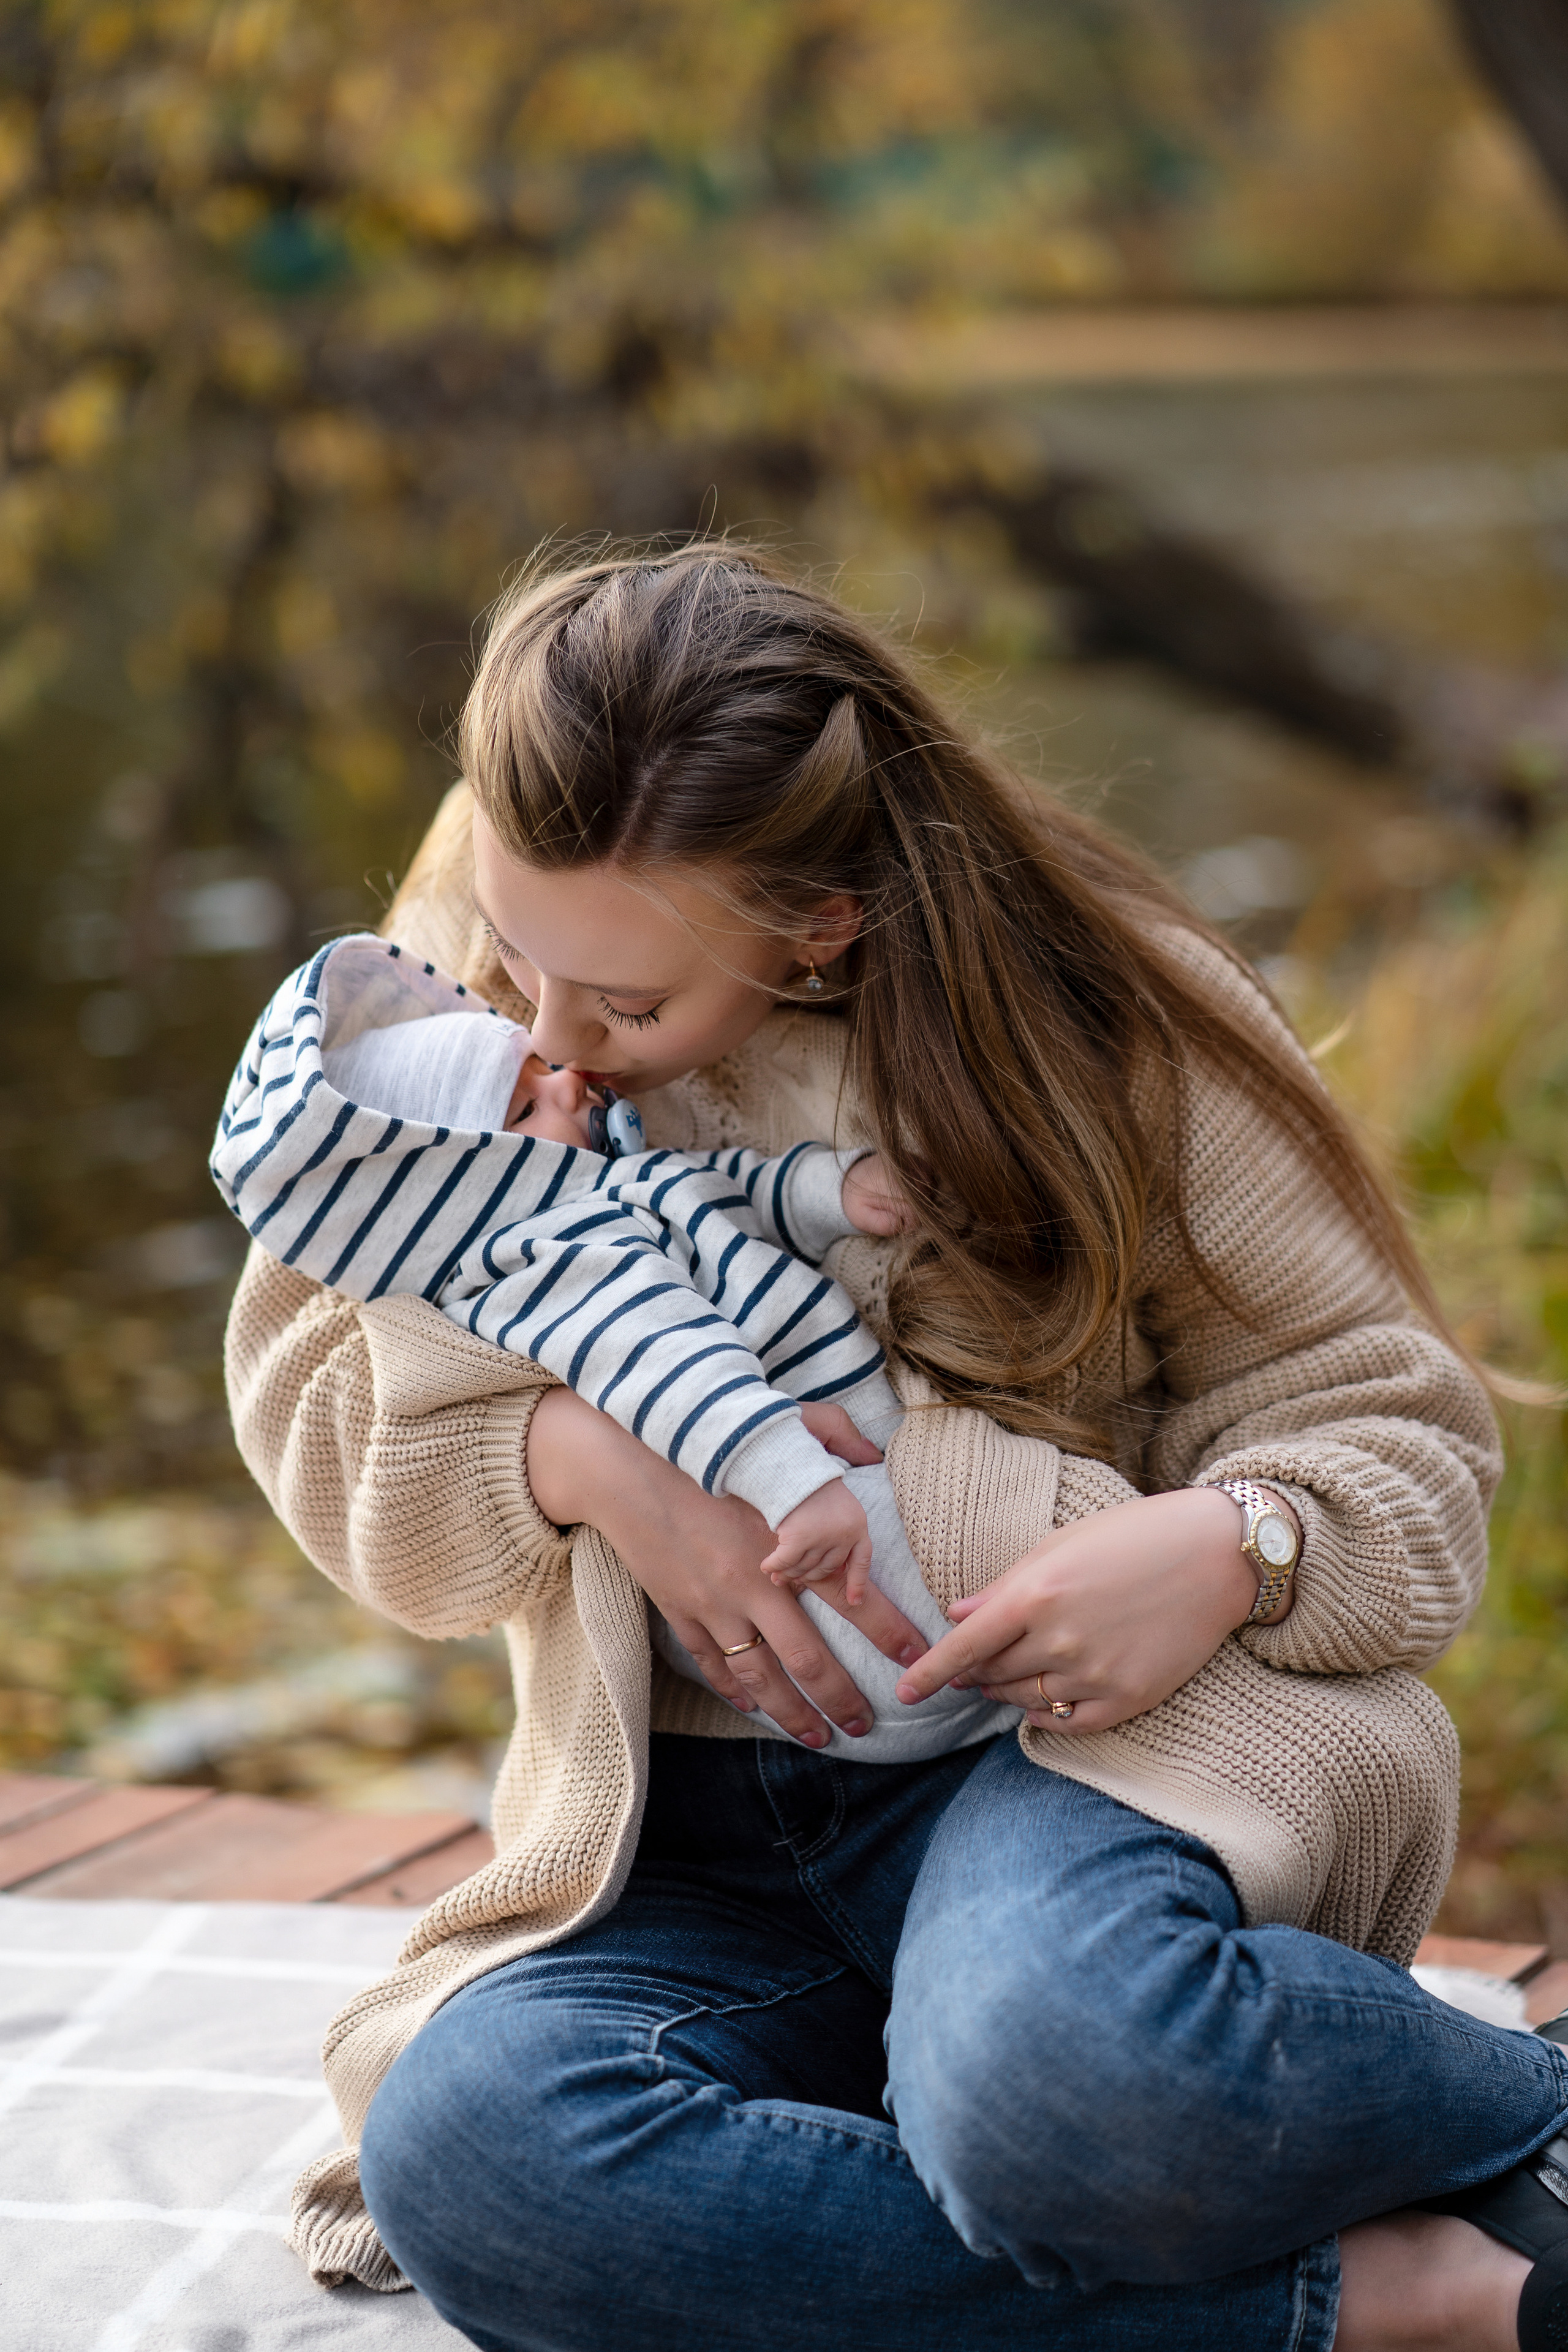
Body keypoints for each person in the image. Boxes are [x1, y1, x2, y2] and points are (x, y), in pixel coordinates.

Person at [224, 544, 1563, 2351]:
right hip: (684, 1860)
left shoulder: (1120, 1028)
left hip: (1070, 1774)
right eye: (516, 956)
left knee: (1067, 2084)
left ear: (822, 924)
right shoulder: (433, 1043)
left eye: (625, 1006)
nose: (547, 1045)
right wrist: (580, 1458)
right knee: (475, 2158)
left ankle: (1511, 2105)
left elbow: (1395, 1428)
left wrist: (1231, 1546)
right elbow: (311, 1419)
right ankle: (1387, 2297)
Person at [211, 929, 1015, 1755]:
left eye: (537, 1071)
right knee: (958, 1600)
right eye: (526, 1108)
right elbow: (673, 1370)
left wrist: (833, 1189)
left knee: (984, 1602)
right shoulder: (558, 1261)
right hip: (800, 1537)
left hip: (825, 1498)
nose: (567, 1076)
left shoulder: (608, 1187)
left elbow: (723, 1189)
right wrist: (795, 1487)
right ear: (473, 1182)